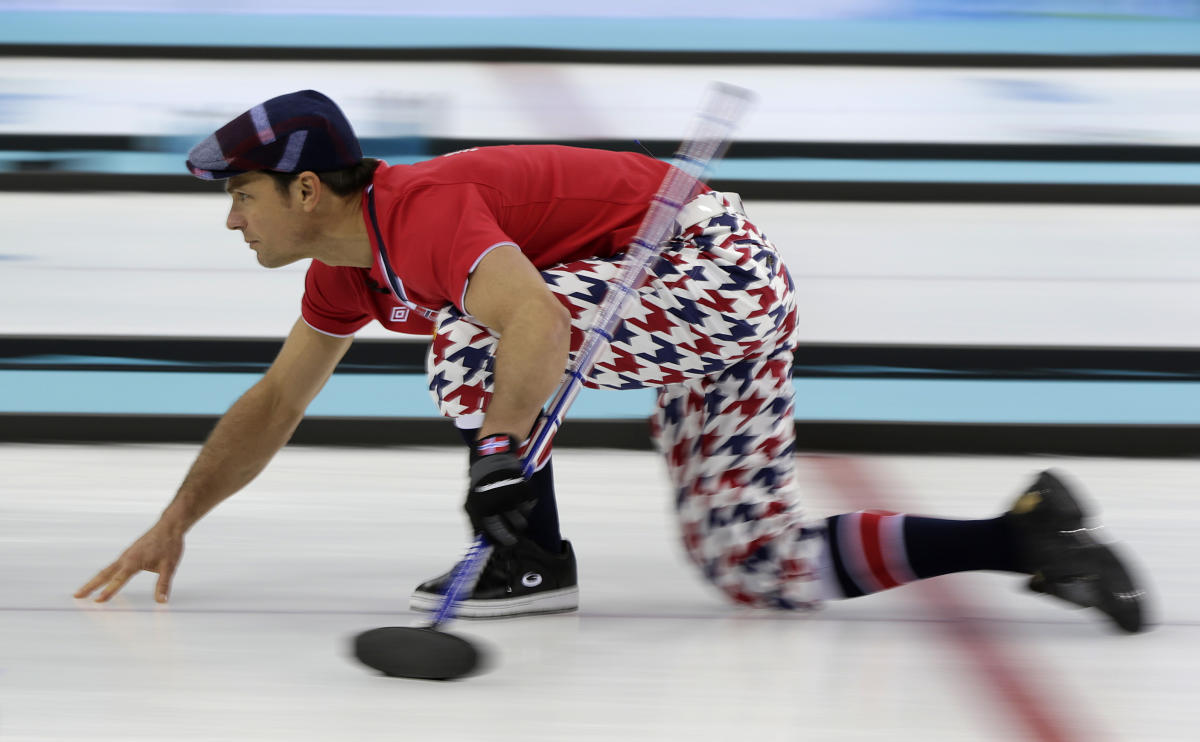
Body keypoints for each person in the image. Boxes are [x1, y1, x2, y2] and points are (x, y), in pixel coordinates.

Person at [75, 90, 1148, 633]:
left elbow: (532, 321)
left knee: (480, 331)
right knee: (756, 567)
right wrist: (178, 519)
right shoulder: (347, 273)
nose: (233, 221)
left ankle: (530, 560)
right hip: (687, 314)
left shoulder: (426, 211)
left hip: (705, 266)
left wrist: (499, 453)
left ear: (307, 189)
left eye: (241, 196)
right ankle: (1025, 536)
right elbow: (275, 400)